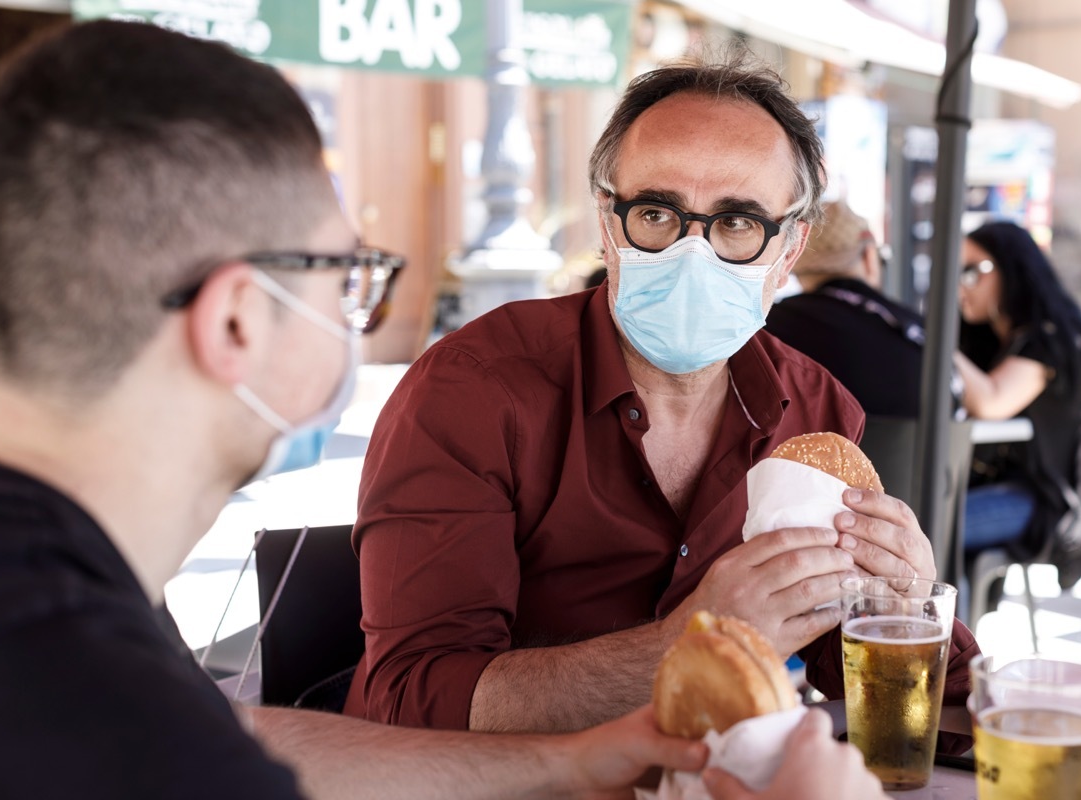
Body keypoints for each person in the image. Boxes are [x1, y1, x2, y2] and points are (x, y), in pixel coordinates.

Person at [0, 20, 724, 799]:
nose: (351, 315)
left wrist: (566, 761)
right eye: (345, 277)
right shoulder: (90, 702)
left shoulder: (52, 603)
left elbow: (231, 728)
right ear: (238, 319)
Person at [345, 48, 980, 736]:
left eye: (738, 222)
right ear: (607, 221)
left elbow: (865, 677)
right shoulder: (474, 391)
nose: (692, 252)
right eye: (656, 213)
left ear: (791, 248)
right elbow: (413, 704)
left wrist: (904, 604)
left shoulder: (814, 410)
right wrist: (689, 643)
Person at [955, 221, 1081, 587]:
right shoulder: (994, 344)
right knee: (920, 516)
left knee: (934, 523)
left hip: (1052, 501)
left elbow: (990, 402)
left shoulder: (1049, 340)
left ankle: (950, 642)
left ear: (1011, 270)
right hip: (1010, 487)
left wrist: (934, 340)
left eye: (970, 272)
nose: (959, 286)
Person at [764, 200, 928, 417]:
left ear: (793, 261)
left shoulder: (768, 327)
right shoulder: (914, 330)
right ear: (870, 256)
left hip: (804, 450)